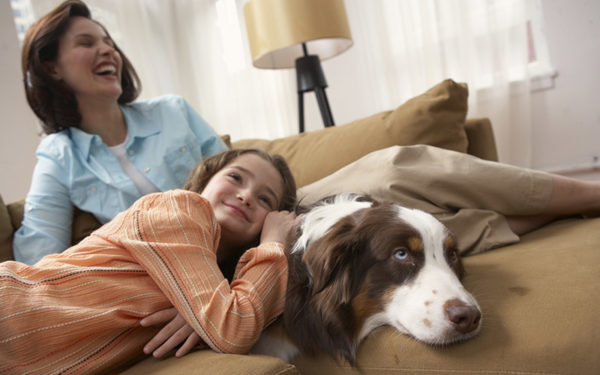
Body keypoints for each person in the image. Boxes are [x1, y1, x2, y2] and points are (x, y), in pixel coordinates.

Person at [0, 148, 298, 373]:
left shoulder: (215, 287)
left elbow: (238, 317)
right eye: (235, 177)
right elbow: (234, 330)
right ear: (204, 181)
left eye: (265, 200)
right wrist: (273, 244)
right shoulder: (180, 209)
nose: (246, 196)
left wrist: (202, 317)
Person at [13, 0, 228, 265]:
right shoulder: (59, 156)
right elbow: (38, 257)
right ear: (51, 68)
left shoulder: (173, 111)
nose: (107, 50)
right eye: (86, 43)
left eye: (108, 42)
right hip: (155, 287)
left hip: (226, 251)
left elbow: (238, 174)